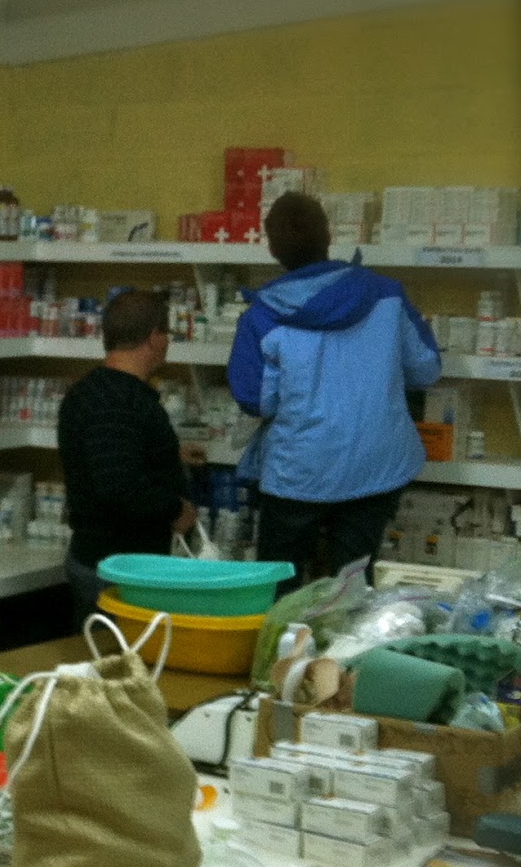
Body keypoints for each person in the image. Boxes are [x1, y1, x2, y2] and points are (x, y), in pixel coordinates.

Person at [229, 192, 441, 588]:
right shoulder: (387, 295)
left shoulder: (262, 317)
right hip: (375, 466)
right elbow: (426, 368)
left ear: (272, 248)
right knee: (353, 590)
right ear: (328, 235)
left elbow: (256, 401)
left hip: (299, 473)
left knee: (279, 587)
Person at [57, 289, 199, 624]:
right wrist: (176, 509)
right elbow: (119, 485)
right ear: (153, 337)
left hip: (98, 558)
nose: (168, 342)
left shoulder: (87, 392)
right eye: (166, 333)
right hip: (119, 570)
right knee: (120, 655)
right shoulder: (122, 402)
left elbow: (107, 454)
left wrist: (168, 455)